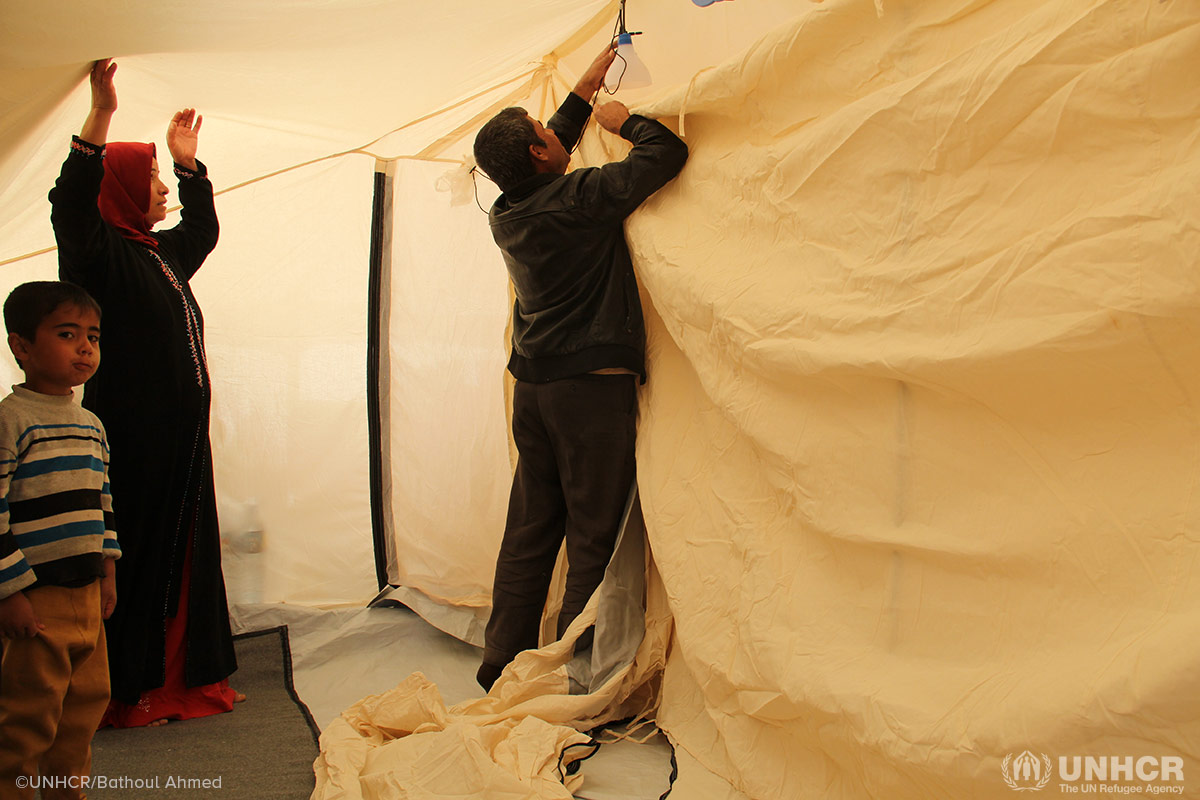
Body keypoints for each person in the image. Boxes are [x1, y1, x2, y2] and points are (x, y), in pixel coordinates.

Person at [472, 45, 688, 690]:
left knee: (531, 530)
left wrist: (586, 89)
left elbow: (550, 151)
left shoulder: (508, 211)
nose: (552, 132)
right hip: (587, 394)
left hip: (534, 392)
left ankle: (501, 666)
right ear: (539, 154)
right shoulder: (581, 197)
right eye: (544, 132)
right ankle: (571, 677)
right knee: (593, 535)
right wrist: (625, 124)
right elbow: (667, 156)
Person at [48, 59, 238, 727]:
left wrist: (191, 167)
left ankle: (183, 677)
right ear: (120, 189)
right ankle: (131, 690)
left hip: (183, 444)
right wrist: (100, 117)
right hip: (133, 442)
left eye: (163, 180)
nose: (162, 190)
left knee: (182, 556)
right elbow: (70, 203)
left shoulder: (157, 253)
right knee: (137, 557)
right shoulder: (99, 256)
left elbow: (204, 231)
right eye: (154, 178)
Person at [0, 281, 120, 800]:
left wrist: (108, 570)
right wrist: (10, 592)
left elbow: (103, 502)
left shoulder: (91, 424)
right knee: (28, 715)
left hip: (87, 594)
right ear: (21, 346)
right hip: (36, 599)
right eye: (67, 334)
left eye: (92, 336)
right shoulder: (12, 420)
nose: (85, 347)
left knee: (83, 708)